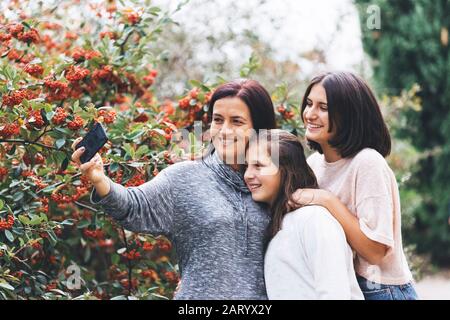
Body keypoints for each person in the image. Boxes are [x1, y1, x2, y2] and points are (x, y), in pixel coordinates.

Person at [71, 79, 276, 299]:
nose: (224, 131)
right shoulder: (185, 177)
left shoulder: (275, 180)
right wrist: (100, 179)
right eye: (218, 120)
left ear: (259, 129)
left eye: (236, 121)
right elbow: (133, 206)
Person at [291, 71, 418, 300]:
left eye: (323, 107)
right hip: (341, 287)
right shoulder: (313, 164)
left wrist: (327, 200)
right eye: (309, 104)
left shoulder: (367, 162)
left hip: (380, 290)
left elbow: (376, 251)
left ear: (349, 114)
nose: (310, 114)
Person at [244, 129, 364, 300]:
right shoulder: (279, 221)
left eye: (258, 166)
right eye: (246, 166)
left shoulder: (314, 219)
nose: (248, 175)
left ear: (285, 169)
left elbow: (335, 294)